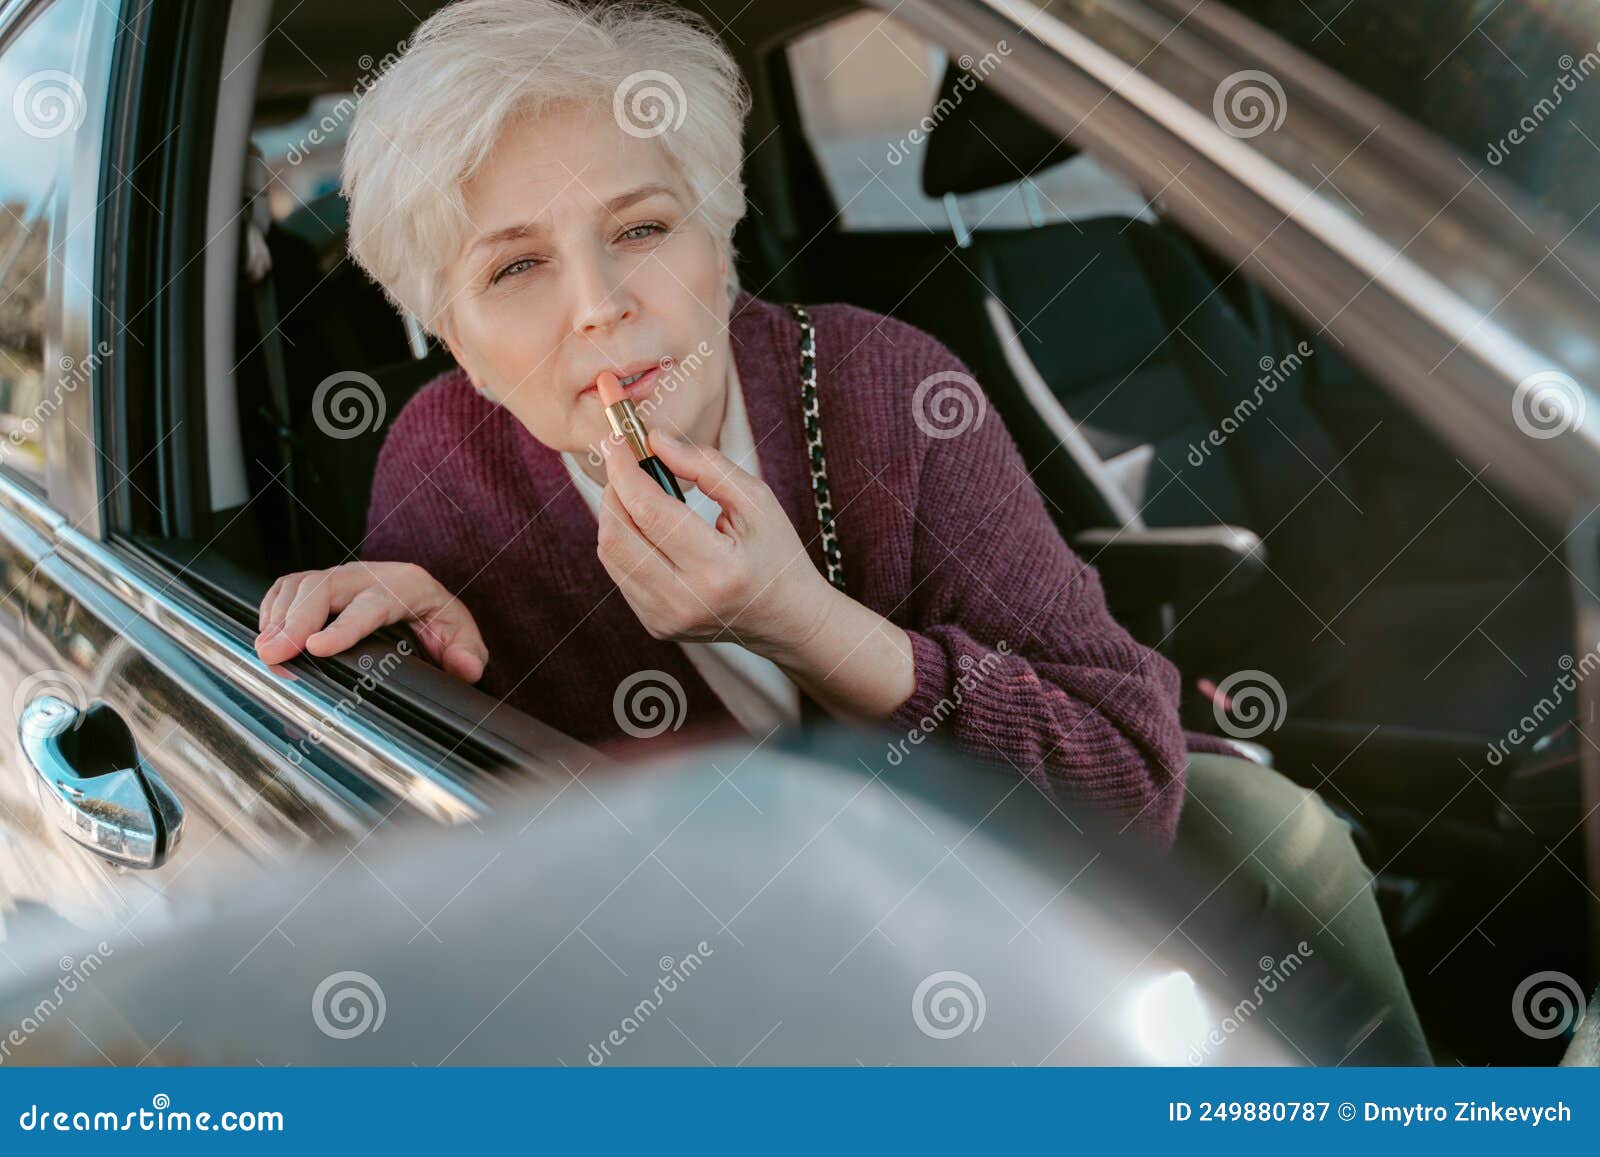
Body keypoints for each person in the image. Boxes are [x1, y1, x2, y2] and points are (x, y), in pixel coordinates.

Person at [251, 0, 1429, 1062]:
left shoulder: (888, 384)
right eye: (515, 267)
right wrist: (403, 641)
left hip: (1000, 896)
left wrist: (805, 623)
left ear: (718, 240)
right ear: (450, 336)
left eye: (645, 230)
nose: (599, 303)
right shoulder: (443, 458)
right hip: (726, 989)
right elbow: (472, 856)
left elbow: (1122, 771)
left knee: (1280, 835)